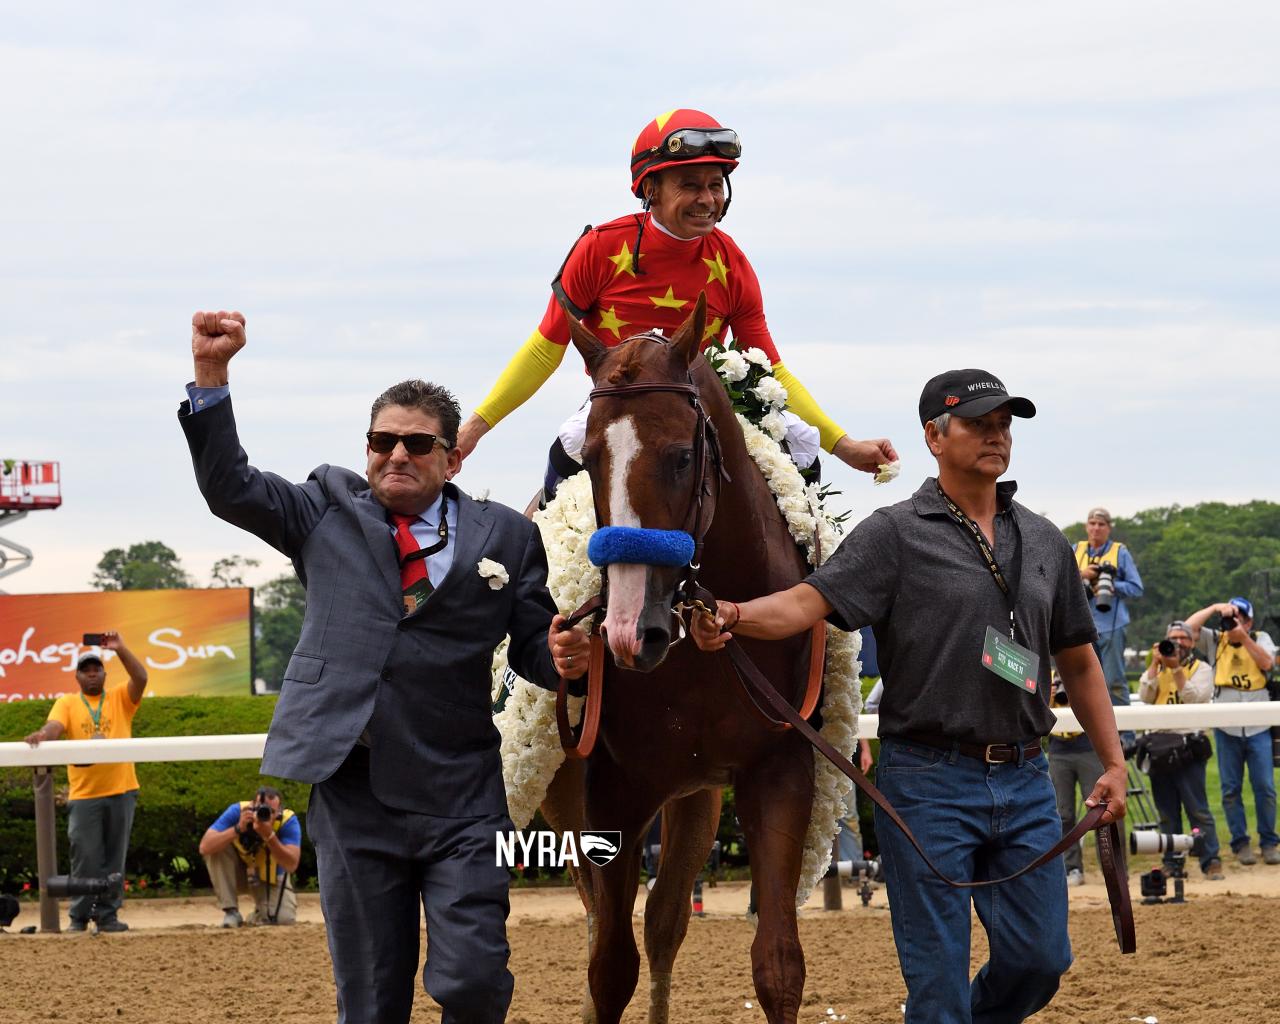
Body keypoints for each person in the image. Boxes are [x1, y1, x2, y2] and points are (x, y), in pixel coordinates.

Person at [178, 310, 591, 1024]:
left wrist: (567, 661)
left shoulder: (512, 537)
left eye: (417, 443)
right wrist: (211, 374)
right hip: (352, 790)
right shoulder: (322, 508)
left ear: (452, 457)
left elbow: (534, 648)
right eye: (381, 441)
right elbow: (230, 486)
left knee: (471, 981)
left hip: (461, 791)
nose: (396, 454)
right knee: (369, 1004)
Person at [691, 368, 1126, 1024]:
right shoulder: (893, 534)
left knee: (1040, 960)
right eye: (980, 423)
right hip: (927, 781)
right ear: (933, 435)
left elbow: (1080, 661)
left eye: (1004, 424)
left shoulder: (1042, 539)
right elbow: (806, 603)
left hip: (1027, 778)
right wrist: (732, 614)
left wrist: (1114, 762)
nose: (996, 436)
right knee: (938, 985)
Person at [455, 108, 897, 489]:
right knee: (564, 458)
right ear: (651, 189)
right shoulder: (600, 248)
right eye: (690, 185)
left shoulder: (733, 261)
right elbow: (543, 349)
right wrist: (475, 428)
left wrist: (844, 445)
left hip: (709, 405)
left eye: (715, 185)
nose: (707, 200)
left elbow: (772, 369)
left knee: (804, 460)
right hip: (619, 408)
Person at [23, 634, 148, 932]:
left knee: (114, 860)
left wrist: (120, 649)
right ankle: (78, 917)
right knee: (85, 858)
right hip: (84, 794)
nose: (92, 674)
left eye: (97, 669)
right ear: (77, 676)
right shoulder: (67, 702)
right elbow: (55, 726)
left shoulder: (119, 697)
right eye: (86, 670)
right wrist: (42, 735)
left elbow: (140, 678)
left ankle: (108, 915)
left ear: (105, 674)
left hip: (122, 790)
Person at [1185, 597, 1278, 865]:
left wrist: (1243, 638)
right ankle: (1240, 844)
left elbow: (1267, 663)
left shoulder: (1260, 638)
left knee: (1265, 787)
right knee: (1230, 789)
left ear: (1249, 621)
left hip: (1259, 724)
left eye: (1239, 618)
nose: (1233, 623)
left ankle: (1270, 842)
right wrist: (1215, 608)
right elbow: (1187, 628)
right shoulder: (1216, 639)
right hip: (1227, 726)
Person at [1135, 621, 1222, 879]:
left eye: (1183, 638)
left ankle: (1211, 860)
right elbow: (1145, 695)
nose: (1178, 643)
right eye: (1172, 638)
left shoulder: (1201, 668)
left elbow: (1195, 697)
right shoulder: (1158, 668)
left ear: (1192, 643)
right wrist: (1155, 664)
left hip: (1188, 746)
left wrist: (1176, 670)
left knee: (1197, 808)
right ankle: (1172, 862)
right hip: (1160, 747)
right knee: (1166, 812)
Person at [1073, 507, 1143, 731]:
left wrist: (1111, 585)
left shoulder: (1119, 552)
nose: (1096, 528)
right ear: (1086, 526)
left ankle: (1125, 736)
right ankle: (1089, 735)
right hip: (1082, 626)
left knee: (1114, 681)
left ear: (1109, 528)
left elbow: (1136, 588)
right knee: (1081, 681)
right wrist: (1083, 576)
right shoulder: (1076, 550)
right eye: (1092, 523)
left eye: (1101, 524)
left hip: (1112, 625)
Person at [198, 786, 302, 927]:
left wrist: (269, 836)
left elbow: (291, 865)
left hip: (269, 877)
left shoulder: (287, 821)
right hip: (237, 873)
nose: (264, 814)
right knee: (216, 846)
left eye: (270, 812)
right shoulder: (238, 811)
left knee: (284, 919)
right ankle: (231, 911)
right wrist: (238, 828)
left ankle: (259, 913)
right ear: (252, 805)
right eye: (260, 809)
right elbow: (205, 847)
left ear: (279, 812)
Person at [1046, 670, 1109, 886]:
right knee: (1062, 814)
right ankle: (1072, 868)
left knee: (1102, 812)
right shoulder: (1046, 673)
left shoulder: (1084, 671)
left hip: (1088, 746)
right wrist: (1049, 695)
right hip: (1058, 750)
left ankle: (1112, 869)